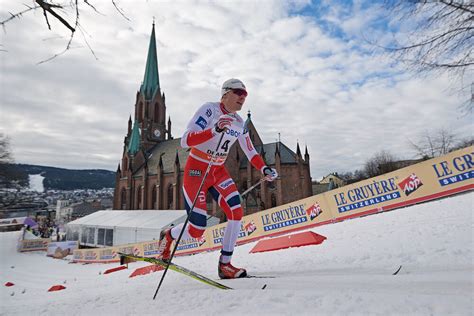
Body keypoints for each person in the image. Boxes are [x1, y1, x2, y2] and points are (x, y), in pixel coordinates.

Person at [158, 78, 277, 279]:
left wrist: (264, 168)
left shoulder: (239, 122)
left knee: (236, 212)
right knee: (197, 230)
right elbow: (186, 140)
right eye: (239, 93)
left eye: (245, 95)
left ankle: (225, 265)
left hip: (217, 171)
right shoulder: (209, 110)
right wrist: (214, 130)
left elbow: (250, 151)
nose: (242, 97)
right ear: (225, 94)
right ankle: (168, 236)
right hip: (197, 170)